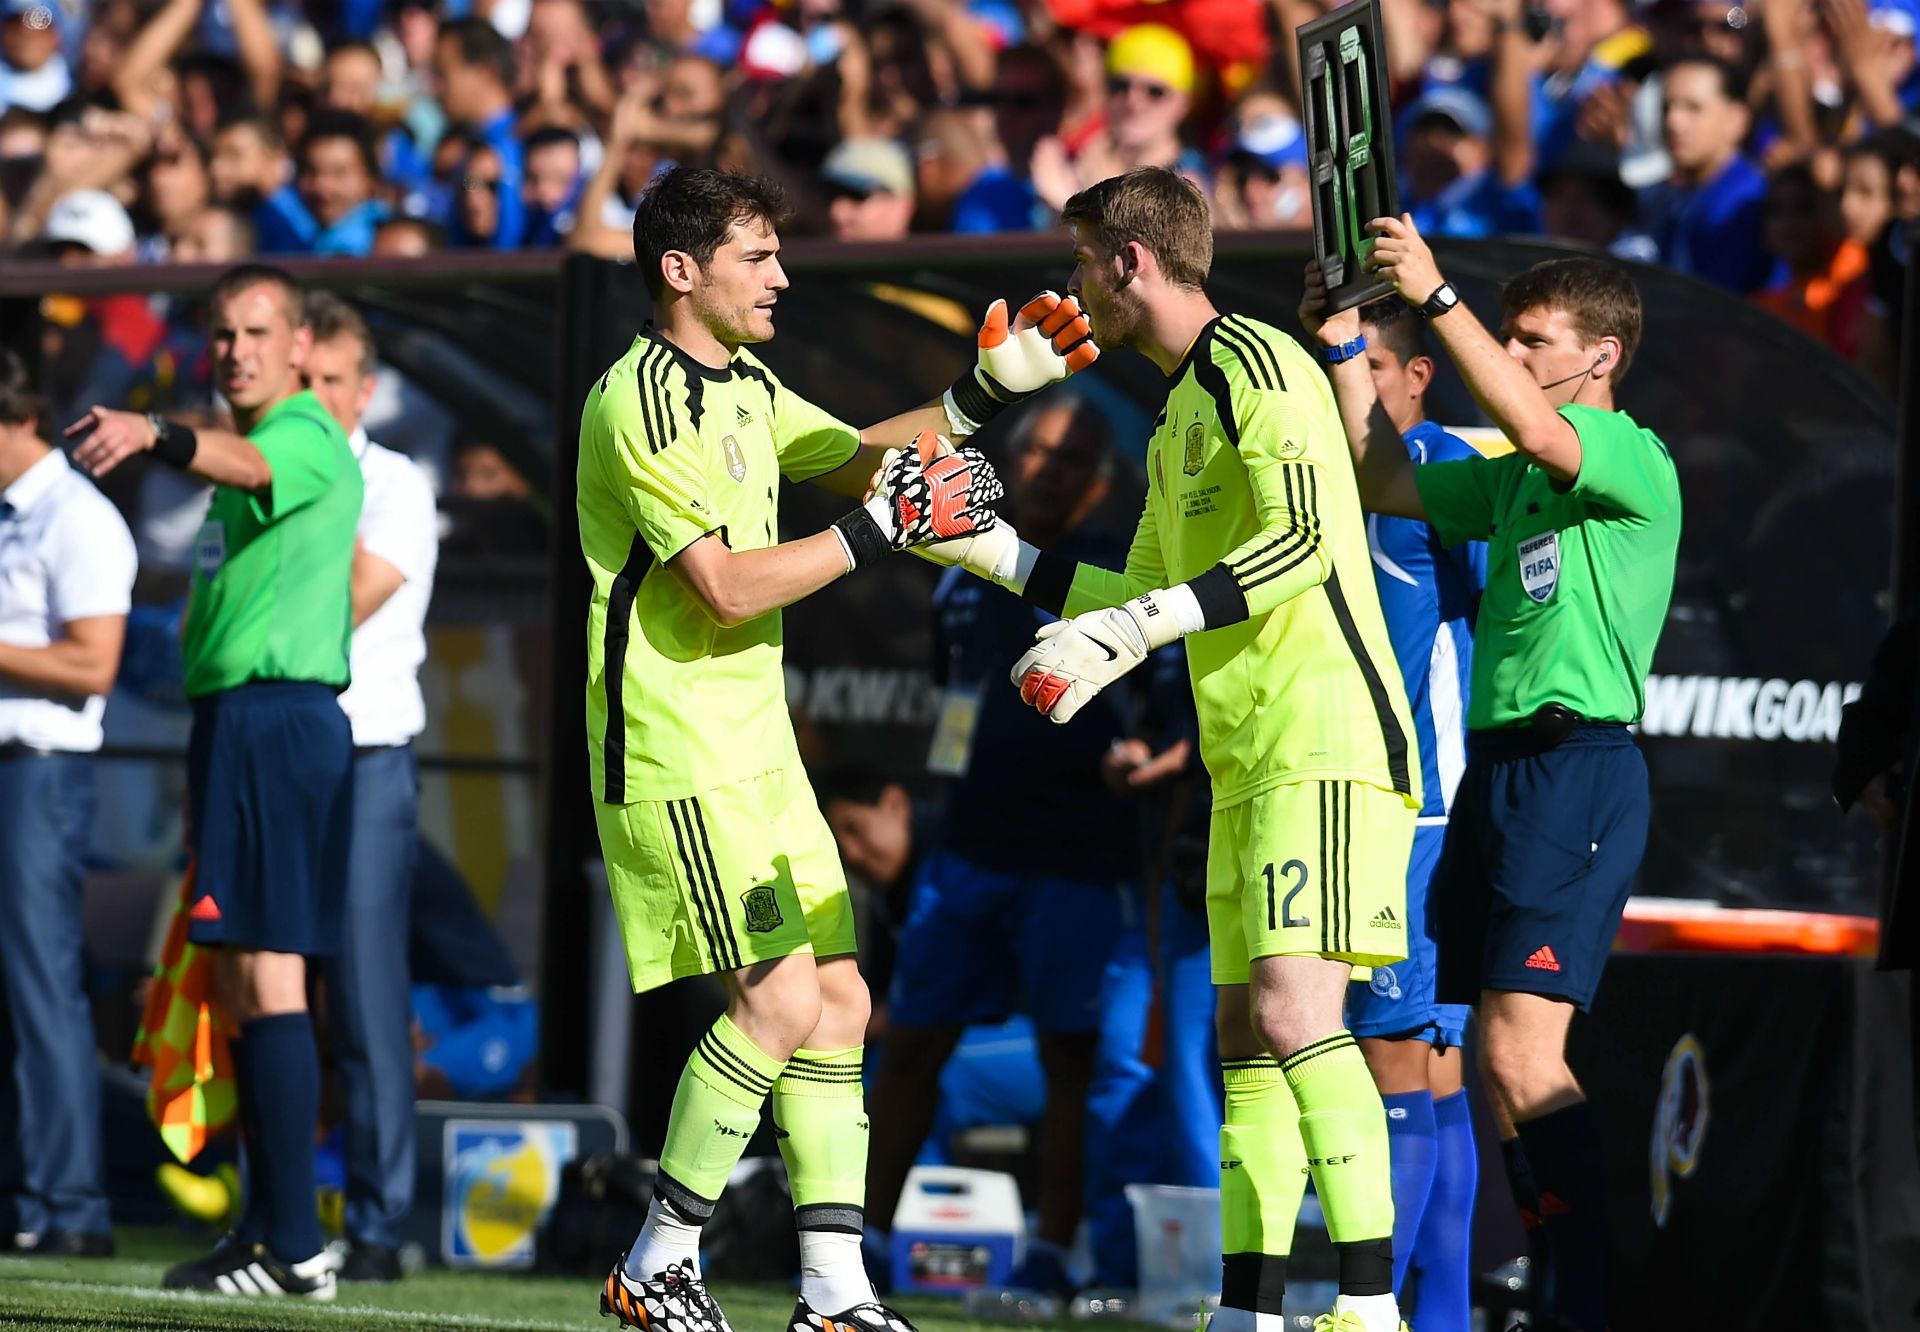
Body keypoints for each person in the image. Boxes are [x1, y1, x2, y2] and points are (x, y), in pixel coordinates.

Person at [578, 165, 1093, 1332]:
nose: (782, 275)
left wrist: (977, 396)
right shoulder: (639, 401)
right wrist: (876, 529)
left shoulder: (747, 384)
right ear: (681, 271)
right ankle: (658, 1258)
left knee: (844, 1004)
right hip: (678, 755)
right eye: (757, 256)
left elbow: (864, 455)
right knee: (775, 1001)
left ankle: (834, 1295)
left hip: (757, 753)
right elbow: (722, 588)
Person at [913, 166, 1420, 1332]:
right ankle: (1249, 1309)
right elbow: (1139, 587)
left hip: (1325, 737)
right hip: (1249, 755)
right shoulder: (1180, 408)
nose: (1077, 285)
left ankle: (1368, 1310)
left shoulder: (1257, 361)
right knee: (1242, 1036)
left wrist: (1131, 631)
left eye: (1086, 261)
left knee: (1299, 1020)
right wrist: (986, 551)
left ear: (1132, 262)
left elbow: (1297, 542)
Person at [1314, 214, 1680, 1332]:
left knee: (1524, 1053)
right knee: (1483, 1062)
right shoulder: (1517, 476)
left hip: (1580, 765)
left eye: (1532, 338)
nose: (1511, 357)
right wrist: (1340, 352)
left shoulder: (1627, 456)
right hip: (1503, 772)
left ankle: (1588, 1296)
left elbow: (1532, 420)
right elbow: (1383, 476)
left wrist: (1433, 296)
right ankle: (1529, 1286)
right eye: (1506, 336)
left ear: (1598, 357)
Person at [69, 263, 363, 1300]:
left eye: (256, 331)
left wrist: (155, 431)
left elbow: (239, 459)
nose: (236, 348)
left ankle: (294, 1246)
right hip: (238, 727)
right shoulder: (252, 456)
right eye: (223, 333)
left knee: (270, 977)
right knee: (237, 984)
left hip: (278, 725)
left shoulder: (303, 436)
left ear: (296, 349)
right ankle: (268, 1230)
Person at [864, 397, 1131, 1299]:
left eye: (1071, 456)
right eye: (1038, 452)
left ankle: (1054, 1253)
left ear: (1098, 476)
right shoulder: (965, 567)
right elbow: (952, 694)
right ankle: (860, 1240)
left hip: (1077, 859)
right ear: (1012, 464)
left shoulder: (1124, 571)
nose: (1049, 469)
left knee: (1070, 1061)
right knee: (907, 1045)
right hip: (969, 851)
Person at [1322, 296, 1485, 1331]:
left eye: (1364, 365)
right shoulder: (1356, 484)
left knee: (1391, 1065)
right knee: (1437, 1069)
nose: (1348, 388)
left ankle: (1375, 1311)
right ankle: (1443, 1318)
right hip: (1425, 809)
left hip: (1418, 815)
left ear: (1417, 377)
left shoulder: (1430, 479)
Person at [302, 292, 439, 1284]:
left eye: (327, 382)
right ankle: (276, 1211)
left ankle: (384, 1221)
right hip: (275, 755)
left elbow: (328, 611)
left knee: (361, 992)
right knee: (262, 982)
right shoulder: (257, 478)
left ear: (365, 388)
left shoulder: (394, 483)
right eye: (298, 380)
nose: (310, 398)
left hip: (363, 756)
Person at [0, 346, 136, 1259]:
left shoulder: (77, 519)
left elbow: (93, 664)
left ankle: (69, 1203)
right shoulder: (20, 516)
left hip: (38, 773)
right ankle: (32, 1191)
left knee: (41, 986)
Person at [1640, 55, 1770, 293]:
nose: (1673, 122)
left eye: (1693, 108)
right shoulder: (1673, 197)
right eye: (1666, 107)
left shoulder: (1746, 203)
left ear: (1736, 119)